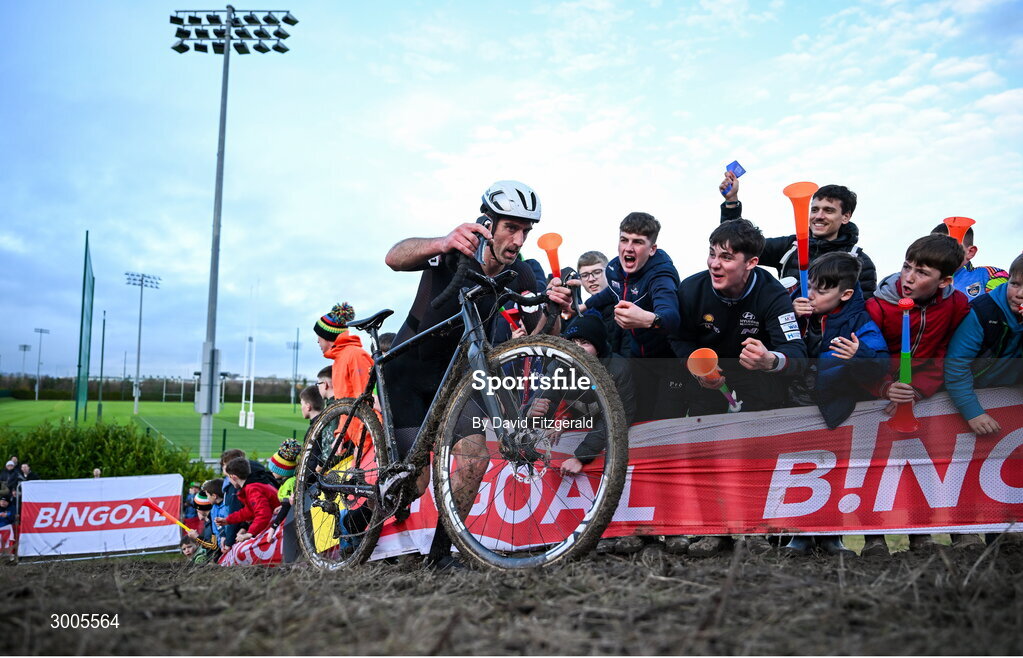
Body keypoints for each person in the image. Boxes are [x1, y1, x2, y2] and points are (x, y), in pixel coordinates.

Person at [383, 179, 574, 569]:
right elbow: (393, 257)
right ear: (488, 222)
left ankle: (439, 557)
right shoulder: (458, 249)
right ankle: (355, 521)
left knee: (474, 462)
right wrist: (442, 241)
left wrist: (554, 309)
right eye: (511, 228)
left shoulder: (519, 273)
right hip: (410, 373)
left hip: (457, 380)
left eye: (526, 231)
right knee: (412, 487)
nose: (519, 239)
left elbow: (537, 335)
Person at [671, 218, 808, 557]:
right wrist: (695, 366)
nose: (715, 264)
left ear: (751, 263)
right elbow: (676, 336)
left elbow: (797, 354)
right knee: (708, 457)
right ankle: (715, 531)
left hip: (758, 384)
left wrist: (771, 360)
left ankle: (755, 532)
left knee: (753, 458)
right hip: (707, 384)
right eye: (712, 254)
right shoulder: (691, 289)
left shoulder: (773, 294)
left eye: (727, 257)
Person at [863, 233, 970, 556]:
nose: (909, 278)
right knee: (874, 467)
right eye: (907, 267)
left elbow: (949, 354)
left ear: (945, 280)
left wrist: (921, 389)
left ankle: (923, 533)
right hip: (878, 400)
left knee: (925, 465)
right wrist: (882, 387)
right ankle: (873, 536)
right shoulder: (877, 304)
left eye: (922, 273)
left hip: (924, 396)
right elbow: (864, 357)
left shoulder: (957, 305)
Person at [783, 253, 889, 557]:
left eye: (822, 290)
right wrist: (790, 313)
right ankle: (798, 536)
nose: (812, 294)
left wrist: (860, 354)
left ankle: (832, 537)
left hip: (837, 408)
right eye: (811, 286)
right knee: (799, 469)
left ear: (845, 294)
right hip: (795, 404)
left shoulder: (859, 320)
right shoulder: (794, 305)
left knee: (836, 472)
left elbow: (880, 364)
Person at [579, 213, 683, 422]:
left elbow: (671, 317)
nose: (628, 248)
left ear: (652, 249)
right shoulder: (614, 269)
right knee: (636, 419)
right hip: (637, 359)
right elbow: (612, 292)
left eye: (638, 242)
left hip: (669, 361)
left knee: (663, 423)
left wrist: (648, 319)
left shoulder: (661, 275)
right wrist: (583, 306)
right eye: (624, 240)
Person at [719, 172, 877, 297]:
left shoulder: (861, 262)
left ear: (846, 217)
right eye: (814, 209)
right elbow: (741, 245)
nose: (819, 216)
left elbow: (862, 312)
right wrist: (731, 202)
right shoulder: (790, 246)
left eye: (828, 210)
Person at [945, 253, 1023, 435]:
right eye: (1015, 284)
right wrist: (973, 413)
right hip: (970, 397)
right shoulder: (981, 311)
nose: (1019, 294)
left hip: (1010, 396)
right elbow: (956, 365)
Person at [931, 223, 1009, 300]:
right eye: (933, 247)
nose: (939, 252)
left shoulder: (990, 275)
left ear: (970, 252)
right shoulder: (925, 281)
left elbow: (1002, 308)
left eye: (948, 246)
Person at [215, 457, 281, 543]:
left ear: (233, 477)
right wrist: (228, 520)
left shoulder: (252, 489)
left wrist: (250, 533)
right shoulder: (253, 485)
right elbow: (250, 511)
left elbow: (263, 514)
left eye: (228, 478)